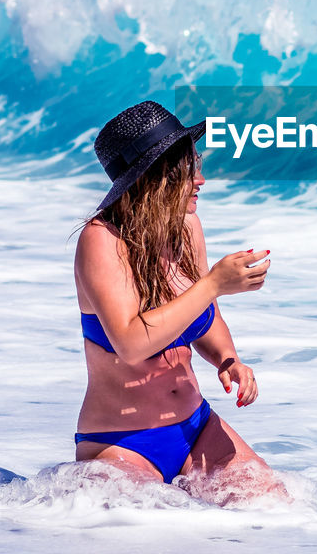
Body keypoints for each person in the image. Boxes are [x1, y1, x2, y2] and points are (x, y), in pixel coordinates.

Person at [71, 100, 285, 501]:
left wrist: (228, 359)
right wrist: (212, 284)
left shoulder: (186, 228)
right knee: (147, 534)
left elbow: (205, 318)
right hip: (122, 441)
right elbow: (131, 344)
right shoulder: (102, 241)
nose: (201, 180)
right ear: (157, 177)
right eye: (190, 169)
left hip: (194, 426)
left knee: (276, 509)